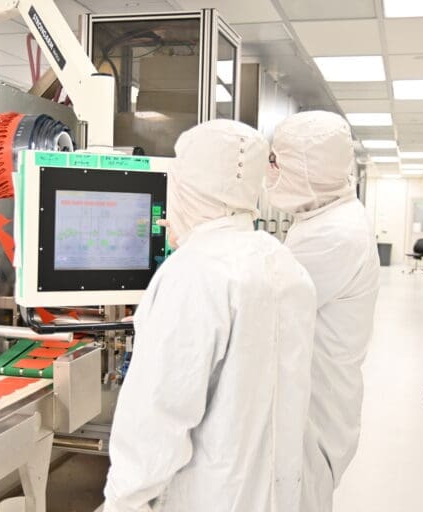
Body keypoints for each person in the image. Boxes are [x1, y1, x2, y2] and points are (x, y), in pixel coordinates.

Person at [103, 119, 318, 511]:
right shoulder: (285, 264)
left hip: (208, 496)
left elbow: (159, 417)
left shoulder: (192, 273)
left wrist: (121, 502)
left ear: (185, 183)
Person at [268, 110, 380, 509]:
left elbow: (264, 307)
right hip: (315, 393)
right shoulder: (323, 214)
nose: (271, 172)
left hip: (315, 407)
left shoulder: (335, 234)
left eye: (277, 162)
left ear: (306, 169)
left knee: (299, 497)